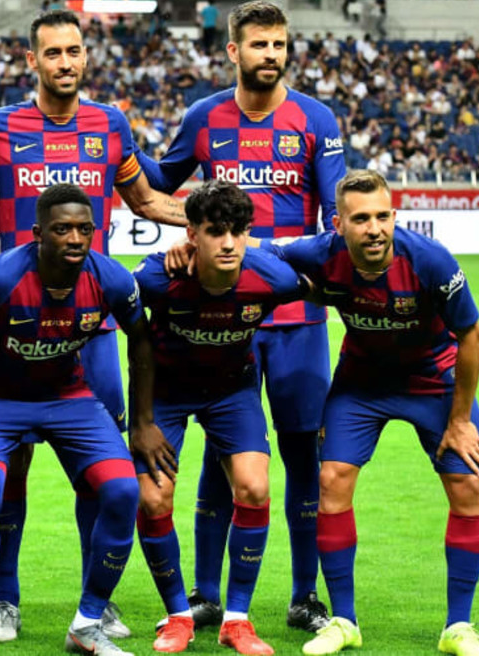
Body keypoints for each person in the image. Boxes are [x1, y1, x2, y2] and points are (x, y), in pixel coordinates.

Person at [0, 7, 185, 642]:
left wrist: (204, 223)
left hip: (93, 328)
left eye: (73, 51)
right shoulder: (0, 126)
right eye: (52, 52)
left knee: (98, 472)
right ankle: (4, 600)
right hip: (19, 315)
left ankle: (95, 604)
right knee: (9, 473)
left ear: (86, 56)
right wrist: (8, 224)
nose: (64, 62)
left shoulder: (110, 124)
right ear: (33, 60)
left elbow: (144, 199)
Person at [139, 0, 346, 632]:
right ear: (234, 50)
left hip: (293, 318)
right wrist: (190, 232)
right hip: (221, 314)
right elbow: (158, 186)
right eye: (259, 44)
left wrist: (263, 254)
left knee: (302, 455)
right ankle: (206, 594)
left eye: (280, 44)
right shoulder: (203, 117)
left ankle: (305, 595)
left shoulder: (315, 118)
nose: (271, 55)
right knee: (218, 454)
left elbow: (334, 221)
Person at [258, 170, 479, 656]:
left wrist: (460, 420)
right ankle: (343, 621)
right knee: (331, 480)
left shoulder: (429, 260)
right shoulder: (320, 253)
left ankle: (459, 628)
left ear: (394, 216)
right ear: (338, 225)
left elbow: (471, 336)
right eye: (361, 219)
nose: (374, 229)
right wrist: (305, 287)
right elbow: (260, 252)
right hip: (362, 383)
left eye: (383, 217)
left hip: (433, 379)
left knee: (468, 484)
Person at [0, 183, 156, 656]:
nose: (75, 238)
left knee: (124, 490)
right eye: (62, 229)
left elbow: (143, 338)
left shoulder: (110, 278)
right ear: (37, 233)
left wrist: (144, 422)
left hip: (68, 398)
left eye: (84, 229)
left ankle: (88, 621)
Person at [132, 180, 310, 656]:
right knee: (153, 498)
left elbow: (318, 272)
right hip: (167, 394)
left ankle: (237, 620)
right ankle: (178, 617)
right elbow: (132, 338)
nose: (228, 243)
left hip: (231, 391)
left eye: (237, 231)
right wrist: (141, 422)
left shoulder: (274, 280)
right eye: (215, 232)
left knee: (254, 487)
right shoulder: (157, 278)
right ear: (192, 234)